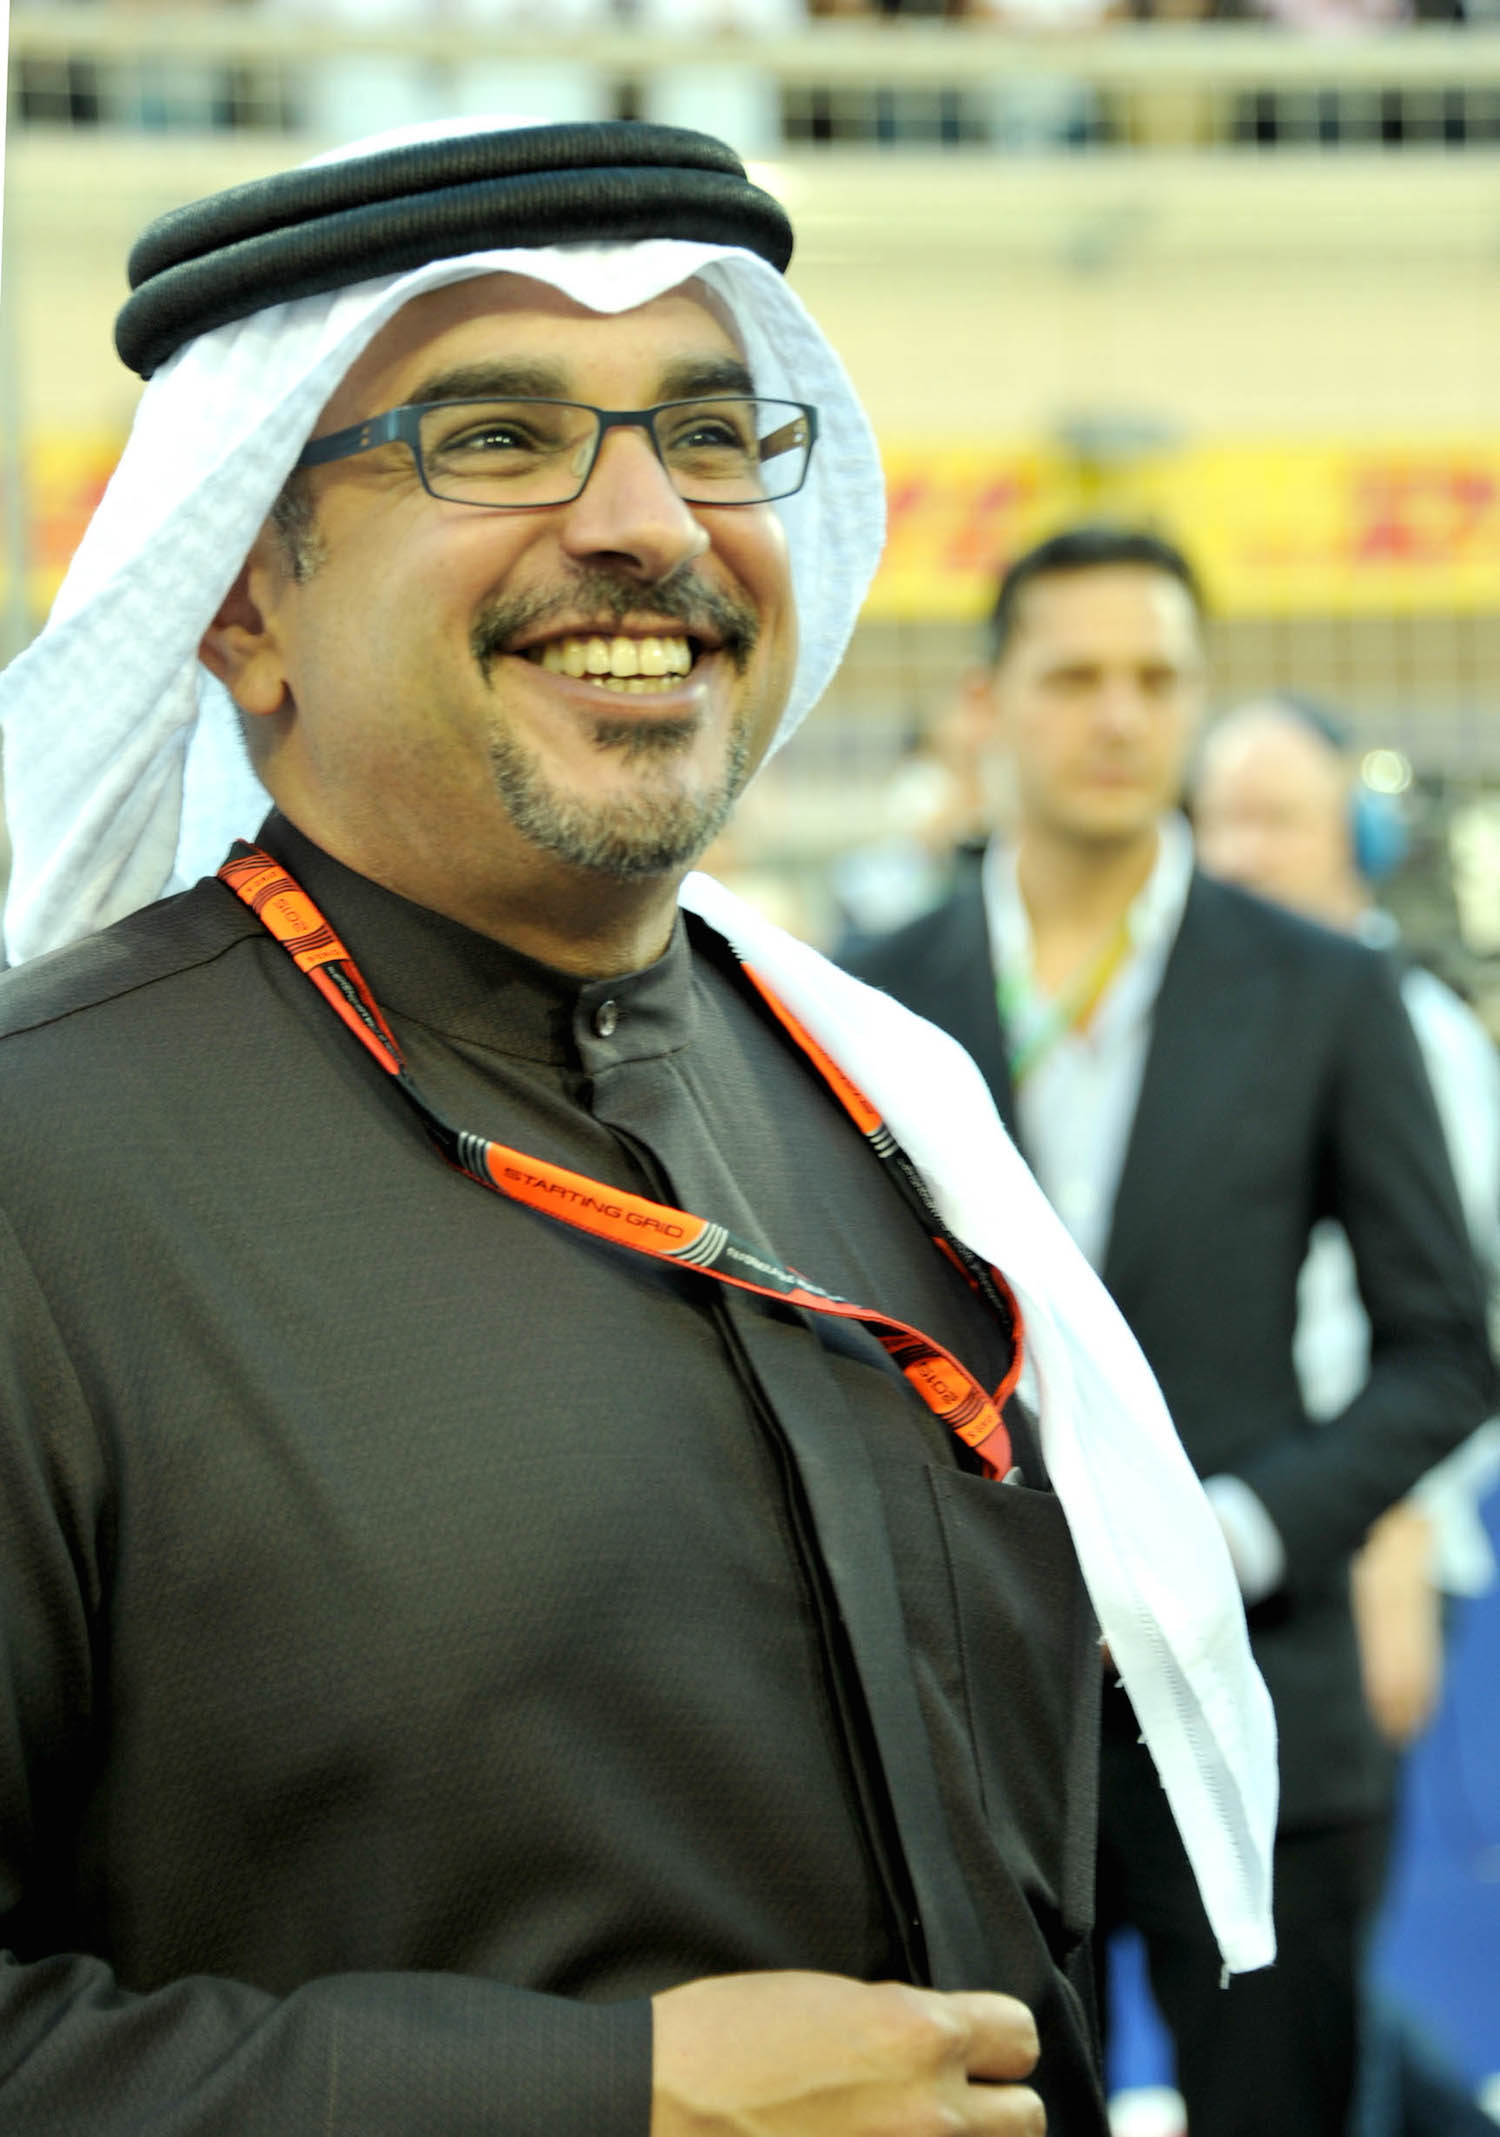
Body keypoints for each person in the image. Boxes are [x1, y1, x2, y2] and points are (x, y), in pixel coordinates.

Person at [0, 127, 1278, 2134]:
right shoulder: (44, 1168)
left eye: (705, 432)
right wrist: (606, 2100)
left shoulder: (876, 1107)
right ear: (244, 598)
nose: (646, 521)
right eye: (498, 437)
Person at [841, 525, 1495, 2137]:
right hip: (972, 1731)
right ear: (991, 704)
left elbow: (1444, 1349)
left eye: (1157, 677)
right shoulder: (866, 999)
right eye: (1076, 676)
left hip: (1258, 1704)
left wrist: (1247, 1529)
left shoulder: (1325, 989)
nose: (1121, 715)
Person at [1195, 695, 1500, 2137]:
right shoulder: (1200, 1010)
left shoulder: (1409, 1029)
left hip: (1350, 1541)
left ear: (1358, 842)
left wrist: (1395, 1536)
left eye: (1280, 820)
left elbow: (1449, 1324)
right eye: (1223, 820)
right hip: (1225, 1543)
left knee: (1320, 1936)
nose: (1242, 853)